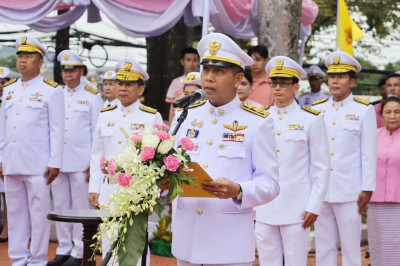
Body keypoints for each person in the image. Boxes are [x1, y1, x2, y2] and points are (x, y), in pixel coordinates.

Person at [170, 32, 280, 266]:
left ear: (238, 78)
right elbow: (170, 167)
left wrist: (239, 189)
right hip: (187, 240)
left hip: (228, 245)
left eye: (219, 71)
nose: (209, 78)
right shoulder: (185, 115)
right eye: (206, 70)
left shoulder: (258, 122)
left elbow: (270, 184)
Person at [254, 56, 330, 266]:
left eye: (284, 83)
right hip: (264, 206)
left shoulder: (311, 119)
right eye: (274, 83)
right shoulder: (260, 118)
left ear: (296, 86)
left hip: (297, 207)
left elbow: (321, 168)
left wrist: (314, 205)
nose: (277, 88)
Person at [89, 58, 163, 265]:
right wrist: (94, 187)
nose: (122, 88)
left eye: (129, 84)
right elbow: (97, 155)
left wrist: (150, 195)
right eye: (120, 83)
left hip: (136, 193)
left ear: (140, 89)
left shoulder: (151, 117)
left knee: (135, 247)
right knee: (109, 243)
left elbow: (158, 162)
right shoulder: (105, 116)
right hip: (109, 191)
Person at [0, 34, 65, 266]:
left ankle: (37, 260)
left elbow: (58, 130)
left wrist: (55, 161)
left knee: (38, 216)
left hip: (39, 164)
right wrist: (0, 159)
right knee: (16, 215)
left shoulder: (52, 90)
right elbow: (3, 128)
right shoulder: (9, 89)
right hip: (12, 161)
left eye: (29, 56)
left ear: (40, 62)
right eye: (20, 56)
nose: (22, 60)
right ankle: (18, 258)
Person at [312, 51, 377, 266]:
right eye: (332, 76)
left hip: (350, 190)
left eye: (341, 77)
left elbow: (368, 152)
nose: (335, 81)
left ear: (352, 81)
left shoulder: (363, 110)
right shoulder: (316, 110)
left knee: (350, 248)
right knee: (323, 246)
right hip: (321, 189)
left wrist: (367, 187)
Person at [48, 50, 103, 266]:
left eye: (72, 71)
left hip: (81, 162)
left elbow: (96, 132)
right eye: (64, 70)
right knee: (61, 205)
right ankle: (63, 248)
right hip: (58, 161)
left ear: (81, 71)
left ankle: (79, 251)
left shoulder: (91, 96)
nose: (68, 75)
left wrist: (93, 163)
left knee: (81, 207)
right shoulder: (56, 94)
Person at [367, 96, 400, 266]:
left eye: (397, 112)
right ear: (381, 114)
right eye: (388, 112)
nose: (392, 116)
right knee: (378, 244)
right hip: (375, 201)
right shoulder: (373, 136)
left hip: (398, 203)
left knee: (396, 244)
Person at [166, 47, 200, 125]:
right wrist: (171, 126)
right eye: (188, 60)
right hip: (179, 120)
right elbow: (172, 107)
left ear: (198, 62)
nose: (192, 63)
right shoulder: (176, 82)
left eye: (195, 60)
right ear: (182, 62)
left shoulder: (203, 80)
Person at [0, 66, 11, 242]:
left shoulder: (10, 101)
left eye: (3, 83)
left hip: (6, 152)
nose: (0, 86)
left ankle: (8, 228)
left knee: (7, 194)